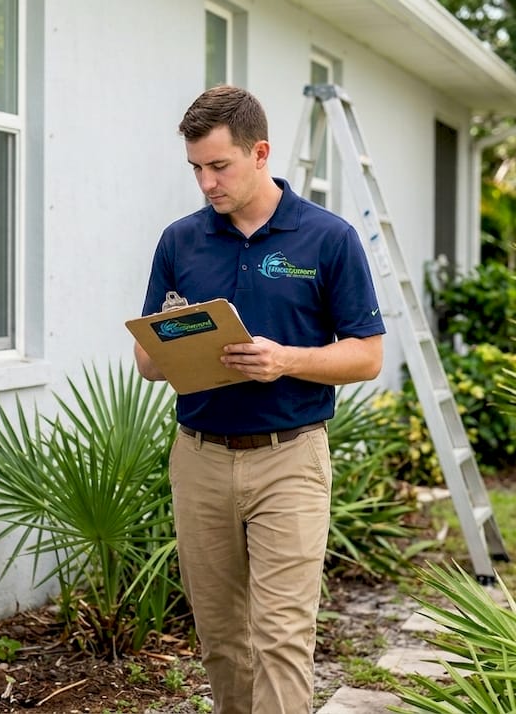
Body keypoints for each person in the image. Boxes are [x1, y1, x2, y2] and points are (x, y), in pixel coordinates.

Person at [134, 85, 385, 713]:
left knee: (280, 638)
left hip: (290, 459)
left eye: (219, 166)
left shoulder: (328, 238)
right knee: (222, 639)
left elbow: (367, 355)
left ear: (260, 152)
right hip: (200, 459)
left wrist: (286, 360)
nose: (207, 183)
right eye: (196, 168)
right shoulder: (179, 241)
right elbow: (145, 364)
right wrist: (179, 335)